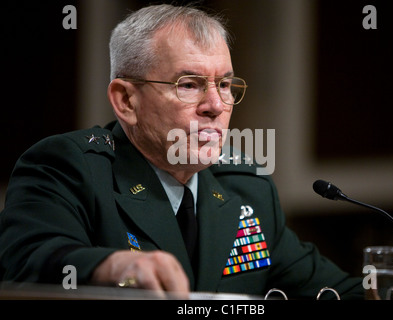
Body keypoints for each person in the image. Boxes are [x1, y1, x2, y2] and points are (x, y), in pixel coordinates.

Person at [0, 4, 363, 299]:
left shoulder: (246, 185)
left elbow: (334, 291)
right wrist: (117, 269)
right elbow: (29, 264)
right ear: (126, 100)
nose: (215, 105)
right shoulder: (66, 167)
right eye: (189, 84)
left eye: (224, 84)